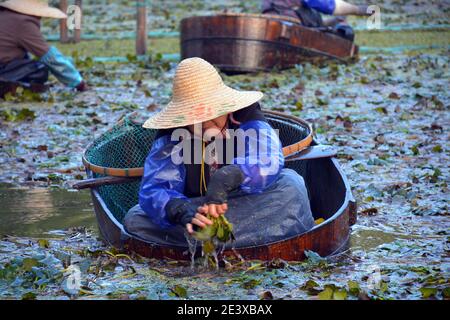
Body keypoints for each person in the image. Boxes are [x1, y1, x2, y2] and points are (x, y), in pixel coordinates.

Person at [124, 57, 315, 248]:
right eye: (197, 119)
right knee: (135, 219)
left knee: (292, 185)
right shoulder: (172, 134)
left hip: (248, 202)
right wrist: (180, 210)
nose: (207, 125)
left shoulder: (246, 115)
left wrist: (231, 175)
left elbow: (267, 158)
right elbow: (155, 188)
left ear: (226, 107)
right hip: (198, 211)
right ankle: (221, 238)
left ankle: (214, 240)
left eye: (213, 115)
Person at [0, 0, 87, 97]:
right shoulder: (22, 22)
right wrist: (79, 84)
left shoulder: (5, 15)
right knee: (40, 69)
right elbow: (51, 58)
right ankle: (10, 88)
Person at [262, 0, 372, 40]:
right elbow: (329, 6)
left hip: (269, 27)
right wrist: (357, 9)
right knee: (346, 32)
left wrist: (331, 21)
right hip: (292, 30)